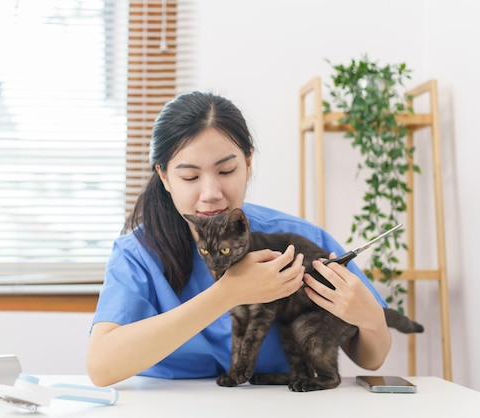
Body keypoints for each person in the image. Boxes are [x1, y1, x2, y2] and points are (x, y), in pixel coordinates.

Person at [86, 91, 392, 387]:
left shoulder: (300, 239)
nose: (211, 194)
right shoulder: (138, 253)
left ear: (248, 164)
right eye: (190, 177)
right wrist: (227, 293)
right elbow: (101, 368)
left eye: (227, 170)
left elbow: (370, 359)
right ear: (164, 177)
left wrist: (372, 320)